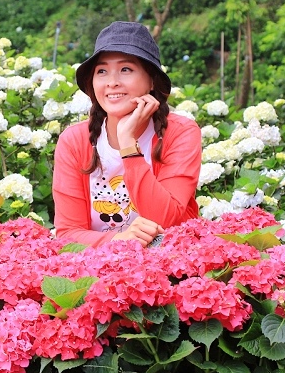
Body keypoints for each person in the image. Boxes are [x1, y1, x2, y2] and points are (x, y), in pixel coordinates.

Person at [52, 21, 202, 248]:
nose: (112, 82)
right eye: (102, 71)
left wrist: (128, 145)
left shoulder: (180, 134)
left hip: (167, 265)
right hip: (97, 268)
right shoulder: (74, 141)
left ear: (151, 81)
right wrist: (119, 240)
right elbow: (68, 235)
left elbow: (167, 222)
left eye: (126, 70)